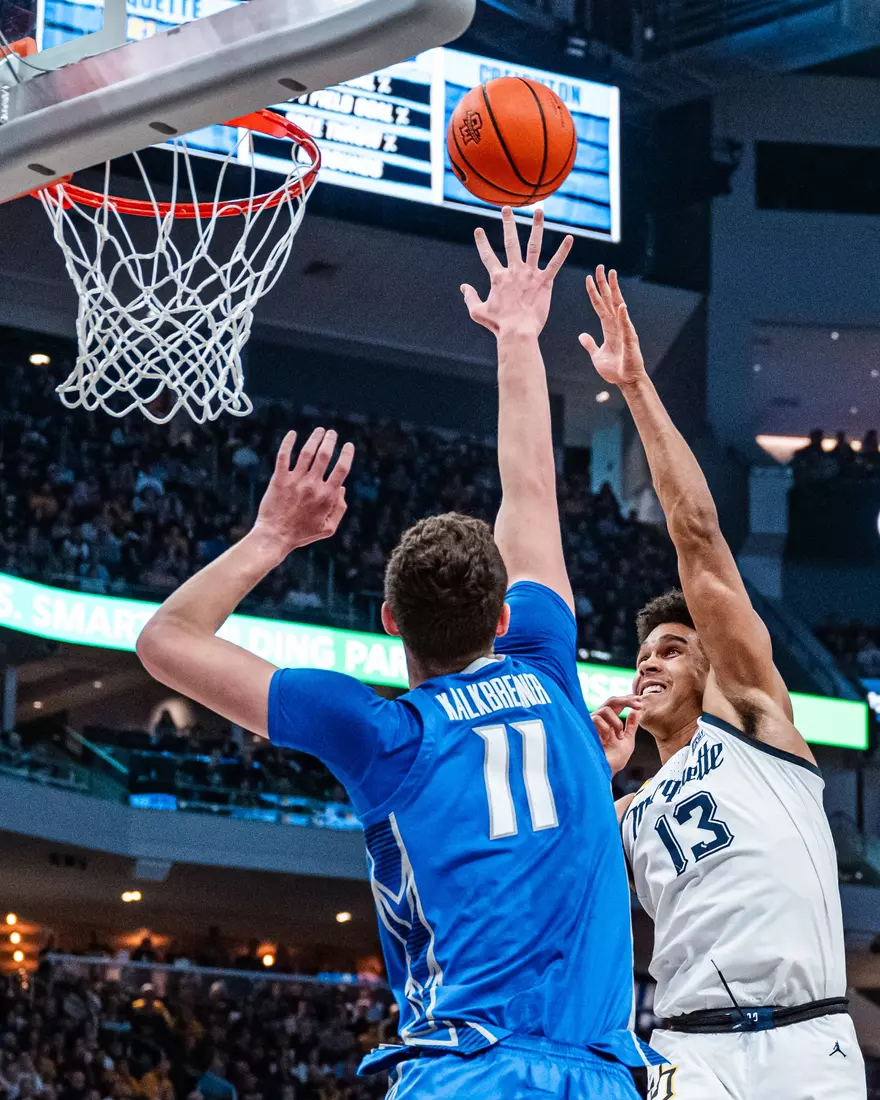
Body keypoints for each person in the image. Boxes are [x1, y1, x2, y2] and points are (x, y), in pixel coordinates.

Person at [136, 208, 657, 1099]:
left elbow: (163, 641)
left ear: (387, 620)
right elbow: (530, 485)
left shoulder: (383, 733)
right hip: (603, 1074)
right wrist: (519, 337)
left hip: (467, 1072)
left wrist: (271, 536)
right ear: (503, 618)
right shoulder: (546, 667)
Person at [579, 266, 866, 1100]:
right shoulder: (625, 813)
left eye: (671, 649)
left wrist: (635, 387)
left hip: (808, 1040)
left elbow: (698, 535)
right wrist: (595, 782)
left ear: (711, 665)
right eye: (642, 658)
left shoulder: (751, 719)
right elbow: (555, 881)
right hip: (687, 1050)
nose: (649, 664)